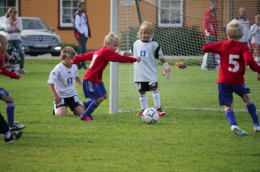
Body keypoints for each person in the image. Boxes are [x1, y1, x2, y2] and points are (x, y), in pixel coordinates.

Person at [202, 19, 260, 136]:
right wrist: (258, 70)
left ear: (228, 35)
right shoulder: (243, 47)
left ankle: (233, 125)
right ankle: (256, 124)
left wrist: (214, 46)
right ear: (242, 35)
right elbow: (249, 60)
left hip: (223, 81)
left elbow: (205, 48)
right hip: (237, 81)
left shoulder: (223, 45)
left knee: (228, 105)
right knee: (247, 98)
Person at [72, 32, 141, 121]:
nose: (116, 48)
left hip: (97, 79)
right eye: (115, 46)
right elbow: (119, 58)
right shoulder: (106, 52)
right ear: (108, 44)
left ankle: (85, 105)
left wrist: (75, 60)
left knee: (105, 96)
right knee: (99, 98)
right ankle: (85, 115)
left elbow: (86, 56)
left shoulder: (100, 51)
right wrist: (134, 59)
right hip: (91, 79)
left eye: (117, 46)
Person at [117, 21, 170, 116]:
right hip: (140, 74)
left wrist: (166, 66)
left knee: (154, 88)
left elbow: (161, 57)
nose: (146, 35)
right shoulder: (136, 43)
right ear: (141, 33)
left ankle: (158, 109)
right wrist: (121, 52)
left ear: (151, 33)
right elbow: (130, 52)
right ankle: (144, 110)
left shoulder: (154, 45)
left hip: (151, 73)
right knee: (141, 92)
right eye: (144, 33)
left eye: (148, 33)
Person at [47, 47, 85, 116]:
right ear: (62, 58)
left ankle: (76, 107)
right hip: (61, 95)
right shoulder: (58, 68)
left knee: (81, 113)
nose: (71, 61)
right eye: (68, 59)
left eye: (72, 59)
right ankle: (55, 107)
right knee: (62, 115)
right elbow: (50, 82)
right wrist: (55, 95)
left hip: (72, 94)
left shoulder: (74, 66)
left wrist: (82, 85)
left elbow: (76, 77)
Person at [0, 34, 25, 132]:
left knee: (9, 99)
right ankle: (10, 126)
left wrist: (14, 75)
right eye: (6, 46)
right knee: (10, 99)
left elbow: (2, 70)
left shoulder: (1, 57)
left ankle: (10, 125)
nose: (6, 48)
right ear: (1, 45)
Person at [5, 7, 29, 74]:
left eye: (16, 12)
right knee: (9, 54)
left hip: (17, 39)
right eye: (14, 12)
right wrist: (10, 23)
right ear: (10, 12)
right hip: (10, 39)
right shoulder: (7, 20)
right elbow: (8, 29)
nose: (15, 13)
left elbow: (20, 29)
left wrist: (11, 31)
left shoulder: (18, 19)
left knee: (21, 53)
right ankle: (10, 68)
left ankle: (21, 68)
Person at [73, 1, 91, 70]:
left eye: (85, 6)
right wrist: (82, 32)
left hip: (85, 35)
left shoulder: (84, 14)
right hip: (80, 35)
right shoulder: (78, 15)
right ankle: (82, 65)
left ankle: (77, 64)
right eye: (83, 6)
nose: (84, 7)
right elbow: (77, 25)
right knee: (83, 50)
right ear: (79, 7)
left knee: (80, 51)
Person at [203, 0, 218, 70]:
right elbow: (207, 24)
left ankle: (212, 65)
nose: (217, 6)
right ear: (212, 4)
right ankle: (210, 66)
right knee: (211, 50)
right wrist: (211, 33)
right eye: (216, 4)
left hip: (214, 34)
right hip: (210, 35)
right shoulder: (208, 12)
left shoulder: (214, 13)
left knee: (213, 50)